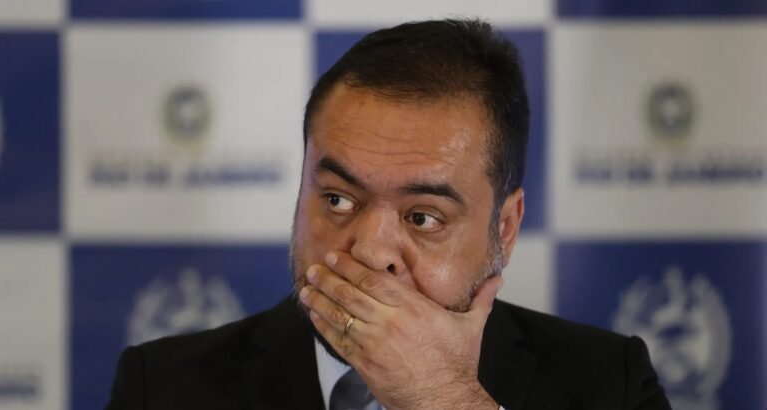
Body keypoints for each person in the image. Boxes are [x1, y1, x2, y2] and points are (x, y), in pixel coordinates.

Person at [106, 19, 671, 410]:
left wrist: (446, 399)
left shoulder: (608, 383)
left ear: (504, 228)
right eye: (337, 200)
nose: (370, 250)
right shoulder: (165, 388)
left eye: (422, 218)